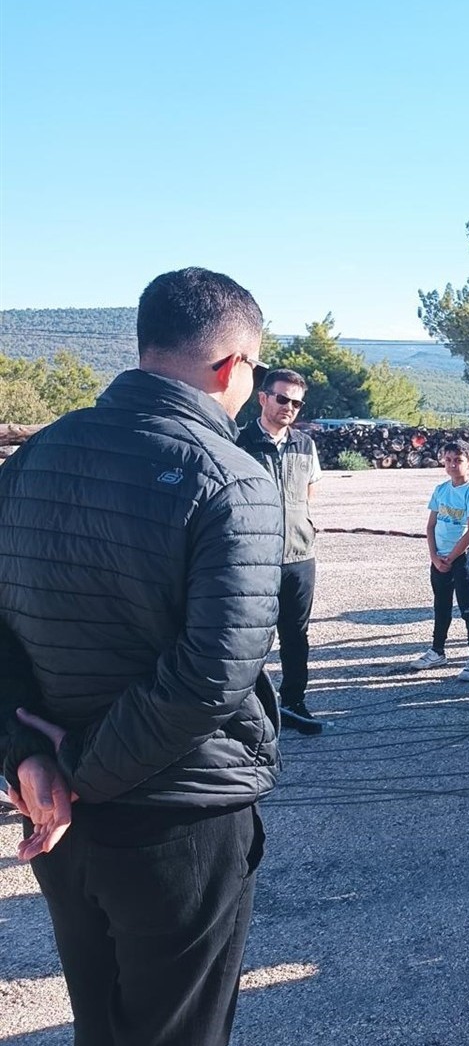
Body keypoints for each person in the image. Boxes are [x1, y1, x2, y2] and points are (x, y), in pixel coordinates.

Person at [0, 267, 283, 1046]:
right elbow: (211, 675)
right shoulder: (235, 479)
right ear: (231, 367)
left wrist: (33, 760)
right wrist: (72, 770)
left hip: (62, 817)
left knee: (104, 1026)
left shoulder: (32, 459)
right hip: (175, 815)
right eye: (254, 370)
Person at [238, 367, 324, 734]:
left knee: (296, 634)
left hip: (300, 557)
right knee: (249, 634)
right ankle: (247, 707)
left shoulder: (305, 444)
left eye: (297, 403)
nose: (289, 407)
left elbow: (308, 495)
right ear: (263, 397)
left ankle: (294, 702)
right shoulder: (239, 443)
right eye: (282, 398)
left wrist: (304, 528)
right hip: (256, 558)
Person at [411, 439, 469, 680]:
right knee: (441, 605)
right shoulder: (441, 489)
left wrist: (452, 557)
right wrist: (434, 556)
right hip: (439, 558)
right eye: (449, 460)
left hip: (462, 557)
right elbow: (431, 525)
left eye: (459, 461)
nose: (453, 465)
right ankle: (437, 650)